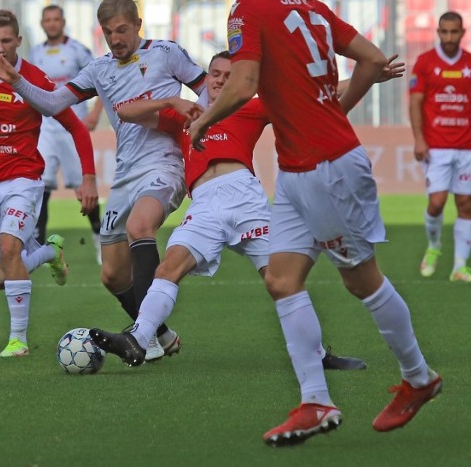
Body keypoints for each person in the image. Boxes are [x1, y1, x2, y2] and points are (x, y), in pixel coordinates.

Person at [186, 0, 441, 445]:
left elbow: (244, 81)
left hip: (327, 166)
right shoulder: (314, 9)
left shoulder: (247, 12)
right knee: (281, 279)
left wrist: (203, 120)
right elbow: (371, 59)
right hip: (301, 167)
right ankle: (315, 402)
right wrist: (333, 112)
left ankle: (418, 378)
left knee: (359, 279)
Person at [89, 51, 411, 371]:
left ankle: (317, 355)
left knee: (281, 281)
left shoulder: (248, 107)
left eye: (230, 76)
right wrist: (170, 102)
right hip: (203, 203)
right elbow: (124, 111)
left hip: (245, 198)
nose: (220, 80)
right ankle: (139, 339)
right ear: (207, 76)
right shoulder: (185, 114)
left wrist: (365, 77)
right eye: (216, 73)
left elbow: (308, 93)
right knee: (168, 267)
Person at [0, 0, 208, 361]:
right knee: (113, 276)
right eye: (108, 32)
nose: (116, 38)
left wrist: (202, 128)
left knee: (140, 226)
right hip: (124, 174)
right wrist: (16, 80)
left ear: (138, 25)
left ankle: (140, 335)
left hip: (164, 164)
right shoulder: (99, 69)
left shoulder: (166, 53)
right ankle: (162, 335)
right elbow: (54, 103)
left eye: (122, 29)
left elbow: (206, 91)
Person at [0, 9, 98, 358]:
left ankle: (18, 341)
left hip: (23, 178)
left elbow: (76, 127)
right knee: (0, 277)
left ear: (18, 41)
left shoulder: (35, 79)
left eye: (6, 41)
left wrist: (88, 175)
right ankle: (48, 252)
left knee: (11, 249)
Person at [410, 11, 471, 283]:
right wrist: (419, 138)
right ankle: (434, 246)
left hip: (466, 145)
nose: (449, 37)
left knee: (465, 204)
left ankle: (459, 267)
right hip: (436, 146)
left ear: (463, 33)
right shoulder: (425, 63)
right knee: (437, 203)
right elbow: (416, 102)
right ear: (438, 32)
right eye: (444, 32)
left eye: (454, 32)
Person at [29, 5, 103, 264]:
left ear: (63, 21)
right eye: (47, 19)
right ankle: (37, 245)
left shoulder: (77, 50)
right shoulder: (35, 53)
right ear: (41, 23)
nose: (51, 24)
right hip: (46, 129)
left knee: (84, 188)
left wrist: (94, 114)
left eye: (55, 19)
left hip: (73, 127)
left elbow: (101, 79)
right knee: (41, 188)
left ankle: (98, 237)